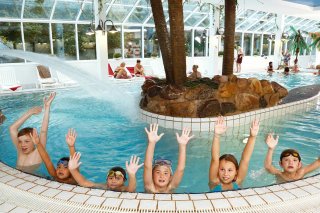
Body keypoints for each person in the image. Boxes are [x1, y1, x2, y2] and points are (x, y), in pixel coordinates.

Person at [209, 116, 260, 192]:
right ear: (217, 170)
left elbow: (245, 159)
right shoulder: (214, 182)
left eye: (230, 170)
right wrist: (216, 136)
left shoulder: (238, 181)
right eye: (222, 169)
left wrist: (252, 137)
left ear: (236, 171)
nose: (226, 174)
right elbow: (215, 159)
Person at [9, 92, 55, 173]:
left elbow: (43, 131)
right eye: (20, 141)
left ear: (34, 141)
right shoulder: (20, 150)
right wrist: (30, 112)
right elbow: (12, 128)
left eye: (27, 141)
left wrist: (47, 107)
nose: (23, 144)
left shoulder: (39, 152)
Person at [143, 124, 194, 193]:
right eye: (158, 172)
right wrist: (152, 143)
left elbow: (181, 169)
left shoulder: (171, 188)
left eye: (166, 173)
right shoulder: (149, 187)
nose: (162, 176)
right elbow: (147, 166)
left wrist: (182, 145)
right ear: (151, 175)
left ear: (170, 177)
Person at [68, 152, 143, 192]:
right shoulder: (103, 186)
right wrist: (72, 170)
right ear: (106, 180)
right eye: (110, 178)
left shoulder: (122, 189)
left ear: (124, 181)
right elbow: (84, 183)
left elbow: (131, 190)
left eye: (117, 179)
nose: (113, 181)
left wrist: (132, 175)